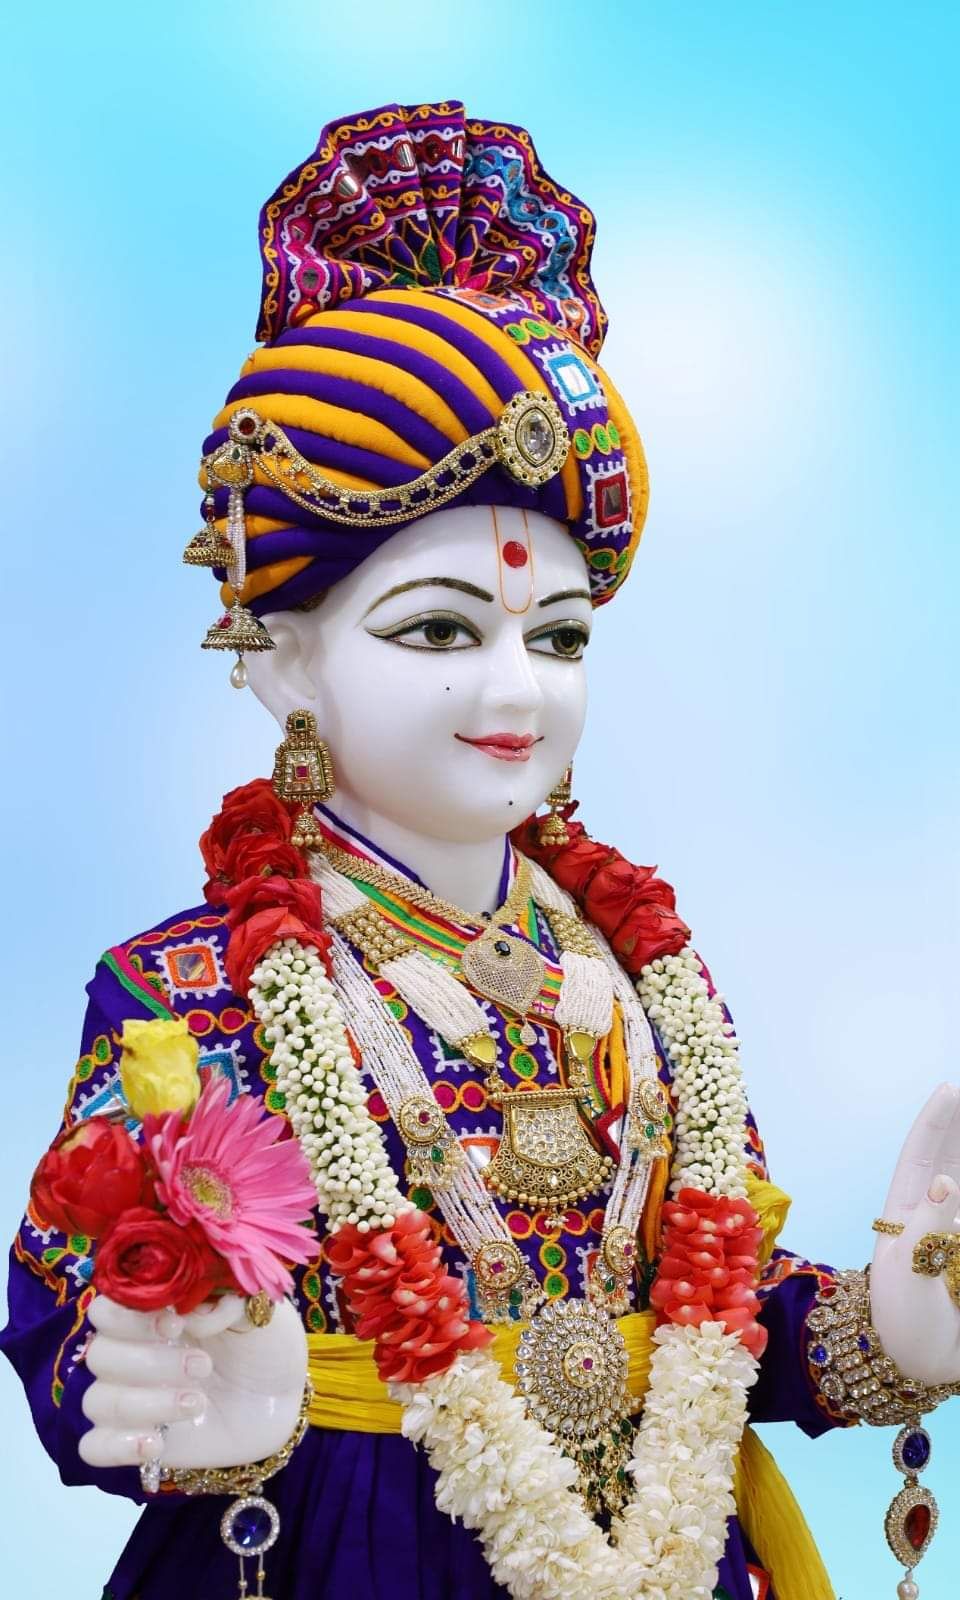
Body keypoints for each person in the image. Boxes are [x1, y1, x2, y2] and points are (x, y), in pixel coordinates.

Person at [3, 99, 959, 1600]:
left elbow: (716, 1315)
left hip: (667, 1549)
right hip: (344, 1545)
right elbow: (83, 1322)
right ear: (281, 660)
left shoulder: (644, 979)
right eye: (440, 631)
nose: (519, 691)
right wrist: (182, 1403)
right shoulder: (189, 996)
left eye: (558, 637)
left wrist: (894, 1326)